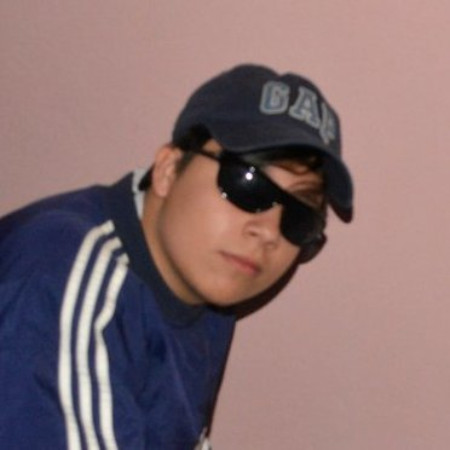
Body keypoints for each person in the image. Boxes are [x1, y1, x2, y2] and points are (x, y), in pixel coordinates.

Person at [0, 64, 353, 450]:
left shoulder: (206, 295)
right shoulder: (61, 277)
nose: (268, 231)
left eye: (300, 215)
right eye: (246, 183)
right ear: (168, 170)